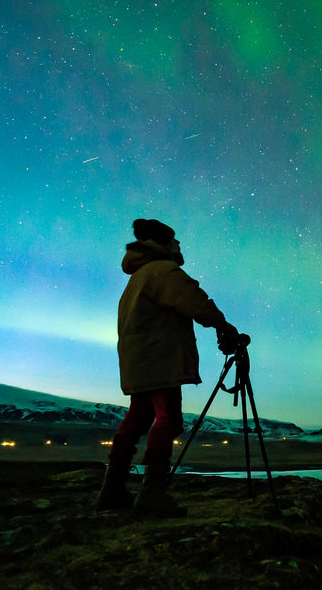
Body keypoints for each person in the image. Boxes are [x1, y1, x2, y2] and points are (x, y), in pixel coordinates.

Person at [95, 218, 239, 517]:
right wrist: (223, 325)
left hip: (140, 360)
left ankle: (111, 491)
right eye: (175, 241)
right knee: (169, 421)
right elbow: (194, 300)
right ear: (162, 243)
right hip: (159, 359)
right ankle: (151, 495)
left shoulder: (138, 277)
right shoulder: (162, 270)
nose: (180, 245)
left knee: (136, 422)